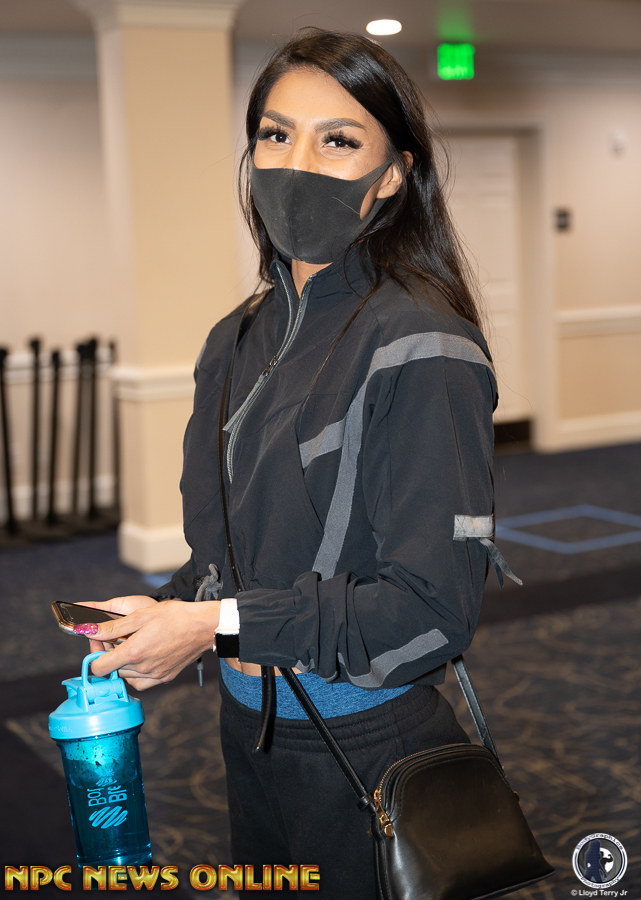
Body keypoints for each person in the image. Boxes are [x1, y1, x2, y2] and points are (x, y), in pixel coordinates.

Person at [78, 28, 515, 898]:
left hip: (364, 743)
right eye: (276, 135)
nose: (297, 165)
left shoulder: (422, 345)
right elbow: (238, 557)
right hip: (249, 730)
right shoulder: (235, 337)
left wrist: (211, 626)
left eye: (338, 140)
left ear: (391, 175)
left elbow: (430, 610)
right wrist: (169, 609)